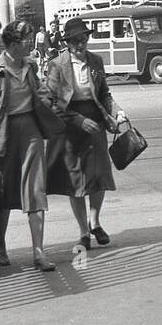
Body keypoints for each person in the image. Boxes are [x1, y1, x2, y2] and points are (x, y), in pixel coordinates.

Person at [0, 19, 63, 271]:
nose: (31, 44)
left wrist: (50, 98)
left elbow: (40, 94)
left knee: (36, 190)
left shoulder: (30, 67)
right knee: (2, 192)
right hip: (3, 136)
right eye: (27, 39)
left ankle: (38, 253)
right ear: (14, 42)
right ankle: (0, 245)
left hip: (31, 133)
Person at [44, 15, 127, 250]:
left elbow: (104, 95)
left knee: (98, 175)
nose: (80, 46)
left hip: (95, 119)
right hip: (68, 124)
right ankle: (83, 231)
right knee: (75, 180)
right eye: (75, 41)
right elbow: (51, 103)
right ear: (67, 43)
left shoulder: (96, 61)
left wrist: (117, 113)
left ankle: (95, 222)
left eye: (83, 40)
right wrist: (78, 121)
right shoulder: (57, 65)